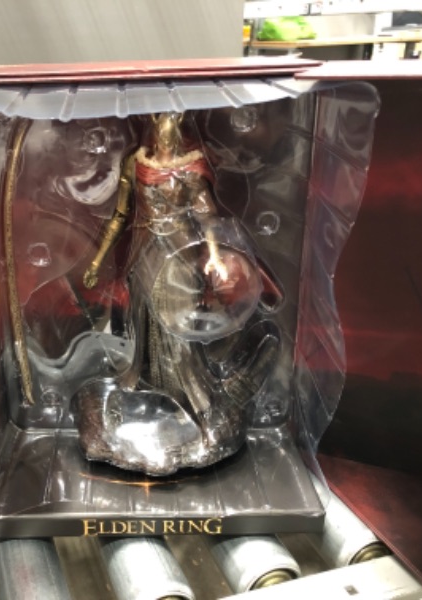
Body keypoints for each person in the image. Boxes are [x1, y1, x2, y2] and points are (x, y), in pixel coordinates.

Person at [75, 112, 280, 476]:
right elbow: (120, 215)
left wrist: (214, 256)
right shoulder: (135, 162)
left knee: (177, 329)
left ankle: (191, 400)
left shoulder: (190, 168)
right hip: (144, 254)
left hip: (179, 255)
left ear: (179, 123)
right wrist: (97, 259)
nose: (162, 131)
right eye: (158, 122)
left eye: (169, 123)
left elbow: (207, 218)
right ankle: (149, 393)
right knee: (145, 326)